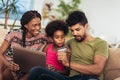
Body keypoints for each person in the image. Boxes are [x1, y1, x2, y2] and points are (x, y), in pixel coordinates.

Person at [28, 10, 109, 80]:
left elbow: (97, 70)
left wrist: (68, 64)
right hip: (68, 78)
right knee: (36, 71)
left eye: (78, 29)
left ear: (86, 26)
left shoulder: (100, 43)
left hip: (89, 78)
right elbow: (55, 39)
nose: (74, 33)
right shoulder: (70, 43)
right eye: (72, 30)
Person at [0, 10, 49, 80]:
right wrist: (9, 65)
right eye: (34, 25)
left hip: (27, 70)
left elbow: (57, 41)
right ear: (26, 25)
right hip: (10, 66)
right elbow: (0, 52)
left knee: (33, 71)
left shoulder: (42, 36)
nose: (38, 28)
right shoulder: (14, 34)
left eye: (39, 24)